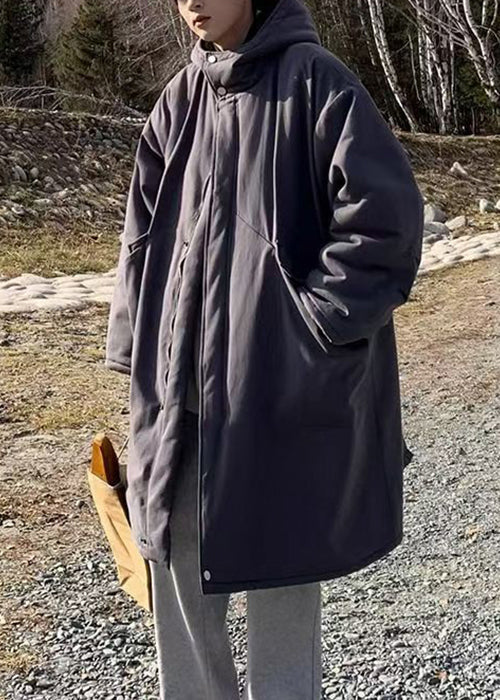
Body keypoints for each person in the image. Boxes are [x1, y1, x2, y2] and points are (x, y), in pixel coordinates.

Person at [104, 0, 424, 697]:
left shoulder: (317, 82)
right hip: (181, 403)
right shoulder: (179, 100)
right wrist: (137, 350)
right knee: (176, 577)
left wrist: (312, 327)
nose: (192, 1)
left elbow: (385, 225)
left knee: (282, 578)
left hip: (279, 397)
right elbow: (140, 240)